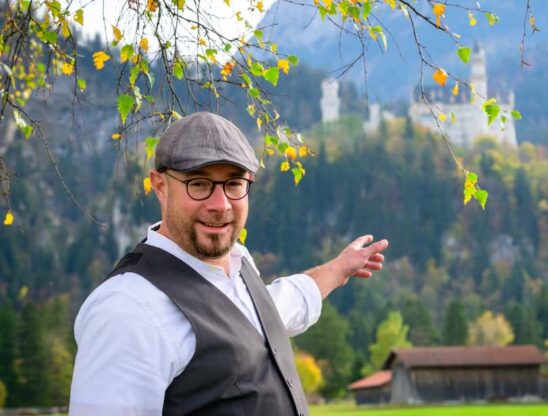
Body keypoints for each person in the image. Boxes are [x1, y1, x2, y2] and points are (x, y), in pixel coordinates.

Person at [68, 112, 389, 415]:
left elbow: (273, 312)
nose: (220, 205)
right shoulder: (127, 309)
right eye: (199, 184)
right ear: (161, 186)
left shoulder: (239, 263)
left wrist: (337, 269)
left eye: (233, 184)